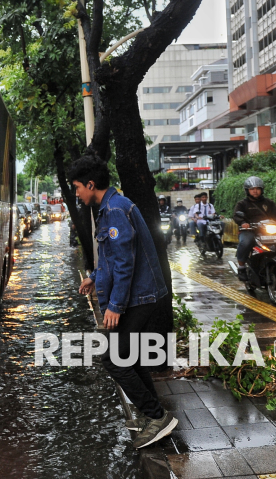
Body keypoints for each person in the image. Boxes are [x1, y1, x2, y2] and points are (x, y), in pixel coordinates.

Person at [72, 154, 176, 450]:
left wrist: (115, 306)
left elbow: (125, 263)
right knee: (129, 357)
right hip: (138, 295)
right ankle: (151, 415)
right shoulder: (110, 207)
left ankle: (157, 417)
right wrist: (93, 276)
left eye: (78, 187)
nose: (77, 194)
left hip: (137, 298)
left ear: (91, 184)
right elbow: (111, 256)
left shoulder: (115, 210)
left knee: (114, 359)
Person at [232, 176, 276, 281]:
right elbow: (236, 216)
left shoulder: (269, 203)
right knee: (246, 242)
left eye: (258, 189)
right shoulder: (242, 204)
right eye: (252, 189)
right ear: (247, 190)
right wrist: (243, 223)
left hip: (266, 230)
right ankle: (241, 268)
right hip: (249, 230)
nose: (255, 191)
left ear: (262, 190)